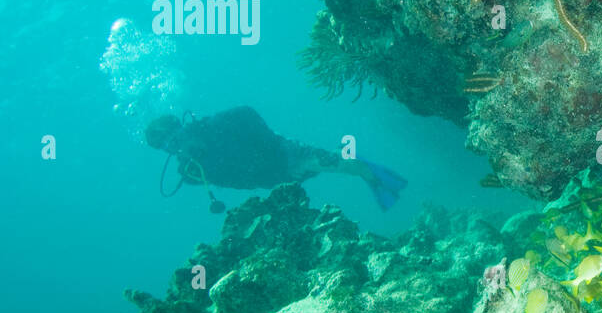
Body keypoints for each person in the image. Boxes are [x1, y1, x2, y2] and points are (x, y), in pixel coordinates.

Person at [145, 107, 407, 212]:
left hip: (285, 156)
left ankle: (371, 174)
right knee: (325, 166)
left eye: (177, 139)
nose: (178, 148)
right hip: (275, 179)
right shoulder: (191, 172)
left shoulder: (215, 127)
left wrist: (271, 146)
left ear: (183, 129)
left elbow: (246, 113)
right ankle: (355, 163)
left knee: (329, 164)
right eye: (170, 148)